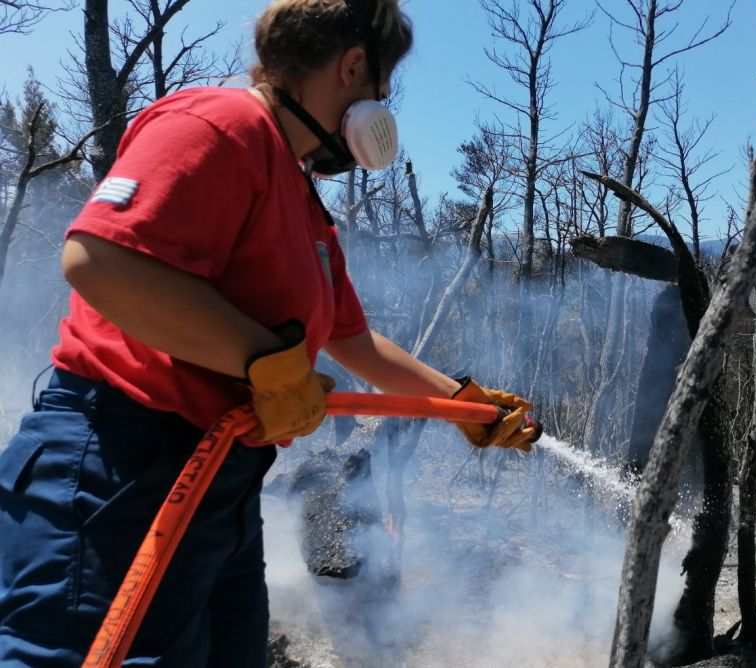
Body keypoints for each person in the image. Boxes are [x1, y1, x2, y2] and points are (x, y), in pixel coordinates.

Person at [0, 1, 536, 665]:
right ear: (353, 65)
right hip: (120, 467)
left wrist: (465, 405)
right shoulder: (220, 123)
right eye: (382, 90)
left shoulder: (303, 201)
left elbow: (354, 342)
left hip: (220, 485)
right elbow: (102, 260)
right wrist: (264, 362)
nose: (382, 107)